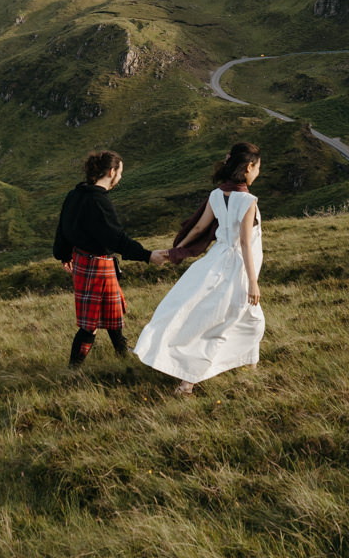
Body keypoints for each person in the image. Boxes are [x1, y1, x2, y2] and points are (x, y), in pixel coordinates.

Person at [135, 143, 265, 395]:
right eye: (258, 168)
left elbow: (197, 228)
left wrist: (176, 251)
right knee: (225, 321)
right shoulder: (248, 200)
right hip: (236, 265)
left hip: (216, 260)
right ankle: (189, 380)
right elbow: (246, 243)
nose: (258, 172)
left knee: (248, 317)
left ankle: (251, 364)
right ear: (248, 168)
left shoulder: (216, 195)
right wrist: (253, 282)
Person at [53, 150, 168, 368]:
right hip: (96, 264)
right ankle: (72, 369)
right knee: (91, 324)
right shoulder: (98, 201)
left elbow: (64, 227)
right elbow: (116, 238)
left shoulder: (75, 194)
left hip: (85, 260)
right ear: (112, 172)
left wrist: (63, 254)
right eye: (121, 172)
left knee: (111, 310)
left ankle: (122, 351)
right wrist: (147, 256)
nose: (121, 178)